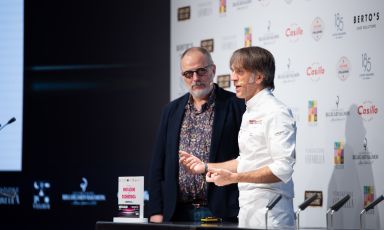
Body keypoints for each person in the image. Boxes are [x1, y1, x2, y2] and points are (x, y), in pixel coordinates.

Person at [179, 46, 296, 228]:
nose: (233, 78)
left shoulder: (276, 112)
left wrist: (234, 178)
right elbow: (246, 161)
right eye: (233, 71)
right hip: (248, 211)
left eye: (240, 72)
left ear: (258, 77)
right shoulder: (249, 111)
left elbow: (283, 169)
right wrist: (206, 167)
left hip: (271, 216)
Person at [148, 47, 245, 223]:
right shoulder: (171, 111)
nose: (195, 78)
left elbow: (246, 159)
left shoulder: (236, 106)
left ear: (213, 70)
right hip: (176, 213)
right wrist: (156, 211)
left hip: (221, 212)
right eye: (188, 73)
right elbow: (157, 165)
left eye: (201, 71)